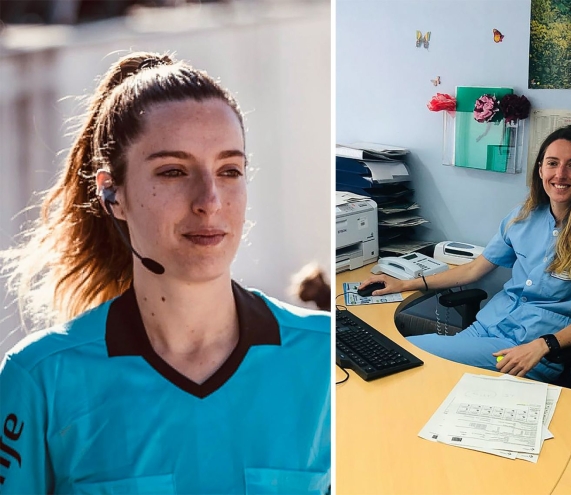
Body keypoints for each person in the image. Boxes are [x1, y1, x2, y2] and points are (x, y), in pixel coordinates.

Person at [0, 52, 330, 493]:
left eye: (229, 170)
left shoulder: (326, 359)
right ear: (113, 194)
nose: (209, 200)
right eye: (173, 171)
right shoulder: (40, 379)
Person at [360, 125, 571, 388]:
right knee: (399, 363)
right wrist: (406, 284)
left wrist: (542, 346)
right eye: (552, 163)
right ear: (540, 169)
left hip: (530, 350)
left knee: (401, 353)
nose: (561, 174)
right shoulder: (524, 217)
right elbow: (473, 270)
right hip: (486, 329)